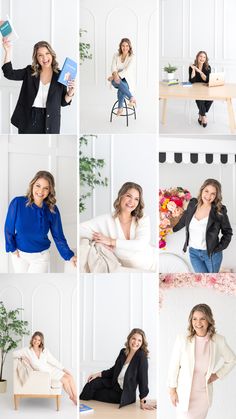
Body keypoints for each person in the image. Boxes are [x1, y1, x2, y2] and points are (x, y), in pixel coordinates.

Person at [168, 304, 236, 419]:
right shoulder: (182, 339)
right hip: (183, 395)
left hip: (203, 397)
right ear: (191, 321)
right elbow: (173, 366)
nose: (198, 323)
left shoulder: (218, 341)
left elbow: (232, 360)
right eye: (195, 319)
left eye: (202, 318)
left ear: (209, 320)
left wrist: (217, 375)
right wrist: (172, 391)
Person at [4, 170, 77, 273]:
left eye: (45, 188)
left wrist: (70, 256)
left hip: (40, 257)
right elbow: (8, 228)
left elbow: (58, 236)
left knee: (33, 285)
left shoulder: (52, 209)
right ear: (32, 185)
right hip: (19, 255)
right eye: (38, 186)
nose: (40, 191)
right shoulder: (17, 203)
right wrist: (12, 249)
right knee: (22, 286)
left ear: (49, 191)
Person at [1, 39, 75, 133]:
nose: (44, 58)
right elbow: (9, 74)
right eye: (40, 55)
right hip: (29, 118)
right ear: (36, 58)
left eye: (47, 53)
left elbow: (63, 103)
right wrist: (8, 51)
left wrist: (71, 92)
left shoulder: (60, 75)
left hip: (50, 121)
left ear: (51, 54)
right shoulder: (29, 72)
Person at [80, 182, 156, 272]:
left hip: (153, 263)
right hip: (131, 270)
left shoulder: (142, 218)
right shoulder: (106, 220)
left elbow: (140, 244)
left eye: (136, 199)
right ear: (121, 196)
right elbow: (80, 229)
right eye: (128, 196)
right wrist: (97, 240)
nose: (132, 202)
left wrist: (111, 241)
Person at [80, 328, 156, 410]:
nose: (136, 342)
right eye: (134, 338)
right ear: (129, 339)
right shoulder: (123, 352)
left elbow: (143, 380)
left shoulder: (141, 357)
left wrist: (142, 401)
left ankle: (83, 405)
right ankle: (80, 405)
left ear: (142, 343)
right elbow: (114, 369)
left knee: (95, 394)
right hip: (113, 384)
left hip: (123, 393)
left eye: (139, 340)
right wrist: (98, 374)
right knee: (91, 384)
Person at [172, 179, 232, 273]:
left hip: (211, 254)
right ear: (202, 190)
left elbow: (228, 232)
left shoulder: (219, 210)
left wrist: (218, 248)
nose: (208, 196)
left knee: (211, 281)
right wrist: (168, 229)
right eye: (206, 191)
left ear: (216, 196)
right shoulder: (193, 204)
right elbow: (183, 221)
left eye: (213, 193)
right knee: (201, 280)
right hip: (193, 253)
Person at [14, 331, 77, 405]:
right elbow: (14, 354)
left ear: (41, 341)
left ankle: (75, 397)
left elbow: (54, 361)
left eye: (39, 340)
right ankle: (72, 397)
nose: (36, 341)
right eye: (35, 339)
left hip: (51, 369)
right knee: (65, 380)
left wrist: (64, 369)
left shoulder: (44, 350)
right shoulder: (26, 350)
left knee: (70, 377)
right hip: (46, 374)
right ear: (32, 339)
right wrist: (23, 358)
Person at [108, 38, 136, 116]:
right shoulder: (116, 55)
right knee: (116, 81)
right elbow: (113, 67)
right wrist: (115, 76)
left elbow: (127, 71)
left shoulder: (132, 57)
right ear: (120, 46)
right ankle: (131, 98)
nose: (125, 48)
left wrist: (114, 77)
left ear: (129, 47)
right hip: (116, 79)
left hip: (127, 80)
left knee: (121, 89)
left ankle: (120, 108)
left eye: (127, 46)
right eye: (123, 45)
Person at [189, 51, 212, 127]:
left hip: (205, 88)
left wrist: (199, 71)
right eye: (200, 56)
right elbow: (192, 81)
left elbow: (207, 80)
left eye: (204, 57)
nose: (202, 58)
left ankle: (201, 114)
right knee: (200, 99)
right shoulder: (192, 67)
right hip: (195, 88)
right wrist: (193, 69)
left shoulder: (208, 67)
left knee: (211, 98)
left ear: (206, 59)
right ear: (197, 57)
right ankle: (204, 117)